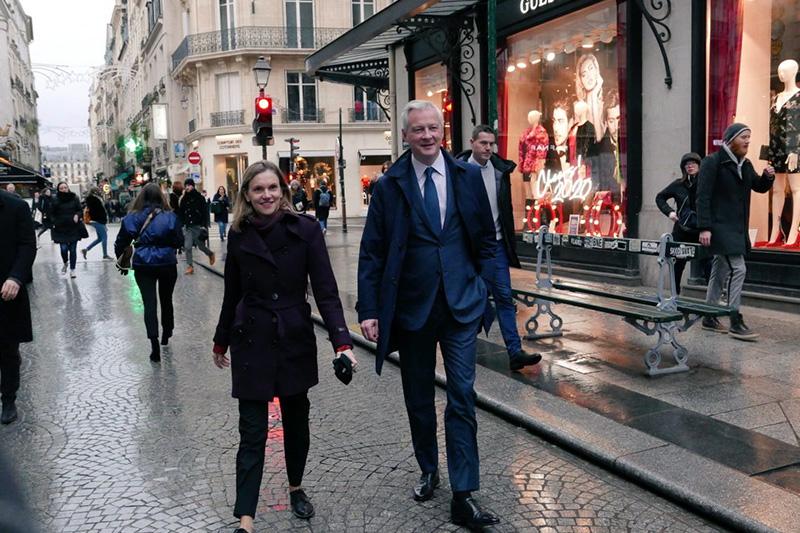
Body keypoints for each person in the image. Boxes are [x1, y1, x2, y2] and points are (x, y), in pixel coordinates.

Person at [358, 100, 500, 529]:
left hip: (460, 306)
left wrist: (485, 287)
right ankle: (428, 468)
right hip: (411, 309)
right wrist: (369, 309)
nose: (426, 136)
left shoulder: (467, 176)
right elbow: (372, 253)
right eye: (417, 129)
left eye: (433, 128)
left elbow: (486, 237)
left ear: (444, 131)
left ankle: (464, 493)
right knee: (419, 399)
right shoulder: (390, 185)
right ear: (405, 135)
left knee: (462, 396)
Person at [212, 161, 356, 533]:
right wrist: (220, 339)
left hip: (293, 337)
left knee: (296, 422)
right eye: (258, 190)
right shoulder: (239, 235)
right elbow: (232, 293)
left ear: (284, 191)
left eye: (272, 188)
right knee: (252, 431)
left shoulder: (306, 230)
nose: (266, 195)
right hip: (252, 340)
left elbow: (325, 289)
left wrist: (342, 341)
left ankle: (296, 486)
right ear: (246, 195)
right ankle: (245, 519)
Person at [456, 125, 542, 370]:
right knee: (475, 299)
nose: (488, 148)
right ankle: (462, 351)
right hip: (471, 249)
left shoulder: (499, 170)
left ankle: (515, 352)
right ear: (472, 142)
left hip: (497, 245)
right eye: (483, 143)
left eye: (491, 143)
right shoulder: (459, 171)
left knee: (505, 298)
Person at [697, 123, 775, 340]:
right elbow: (702, 197)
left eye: (750, 137)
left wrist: (768, 177)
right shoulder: (713, 162)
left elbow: (758, 186)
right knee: (738, 268)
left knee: (721, 270)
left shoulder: (745, 164)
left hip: (737, 227)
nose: (748, 141)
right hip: (720, 227)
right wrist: (705, 227)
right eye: (744, 137)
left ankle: (709, 316)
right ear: (730, 139)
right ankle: (734, 319)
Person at [114, 183, 184, 362]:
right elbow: (178, 241)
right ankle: (166, 333)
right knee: (166, 300)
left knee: (149, 303)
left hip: (143, 263)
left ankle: (153, 344)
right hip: (167, 262)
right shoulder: (171, 217)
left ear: (141, 197)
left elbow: (121, 241)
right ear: (161, 197)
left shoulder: (132, 217)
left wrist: (122, 261)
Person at [0, 189, 35, 425]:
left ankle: (8, 399)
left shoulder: (16, 207)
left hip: (6, 290)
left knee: (7, 349)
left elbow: (27, 245)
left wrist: (15, 278)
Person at [656, 153, 704, 294]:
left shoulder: (705, 183)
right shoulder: (678, 184)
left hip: (701, 230)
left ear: (699, 165)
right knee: (677, 265)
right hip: (682, 231)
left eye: (693, 163)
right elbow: (660, 197)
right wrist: (670, 212)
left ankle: (711, 302)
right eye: (687, 164)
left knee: (708, 264)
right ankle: (674, 296)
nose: (690, 166)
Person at [178, 178, 215, 275]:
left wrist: (204, 225)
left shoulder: (200, 198)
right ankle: (190, 266)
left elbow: (205, 212)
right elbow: (181, 212)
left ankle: (210, 254)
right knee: (187, 246)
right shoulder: (184, 199)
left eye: (189, 185)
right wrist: (182, 224)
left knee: (201, 246)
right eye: (186, 185)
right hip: (188, 226)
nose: (187, 187)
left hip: (197, 226)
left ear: (193, 186)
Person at [50, 182, 84, 279]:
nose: (64, 189)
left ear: (68, 188)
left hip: (73, 227)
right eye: (61, 188)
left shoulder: (74, 198)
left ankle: (73, 270)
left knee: (73, 250)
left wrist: (77, 215)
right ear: (58, 189)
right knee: (63, 249)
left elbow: (80, 210)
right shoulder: (55, 199)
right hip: (61, 228)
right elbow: (51, 213)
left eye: (65, 187)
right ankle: (65, 262)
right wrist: (54, 222)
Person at [81, 187, 112, 260]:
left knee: (100, 238)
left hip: (97, 221)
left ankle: (86, 250)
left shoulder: (92, 199)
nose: (100, 191)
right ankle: (105, 255)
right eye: (98, 190)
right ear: (95, 192)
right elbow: (98, 211)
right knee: (104, 237)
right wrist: (102, 221)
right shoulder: (94, 199)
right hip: (98, 221)